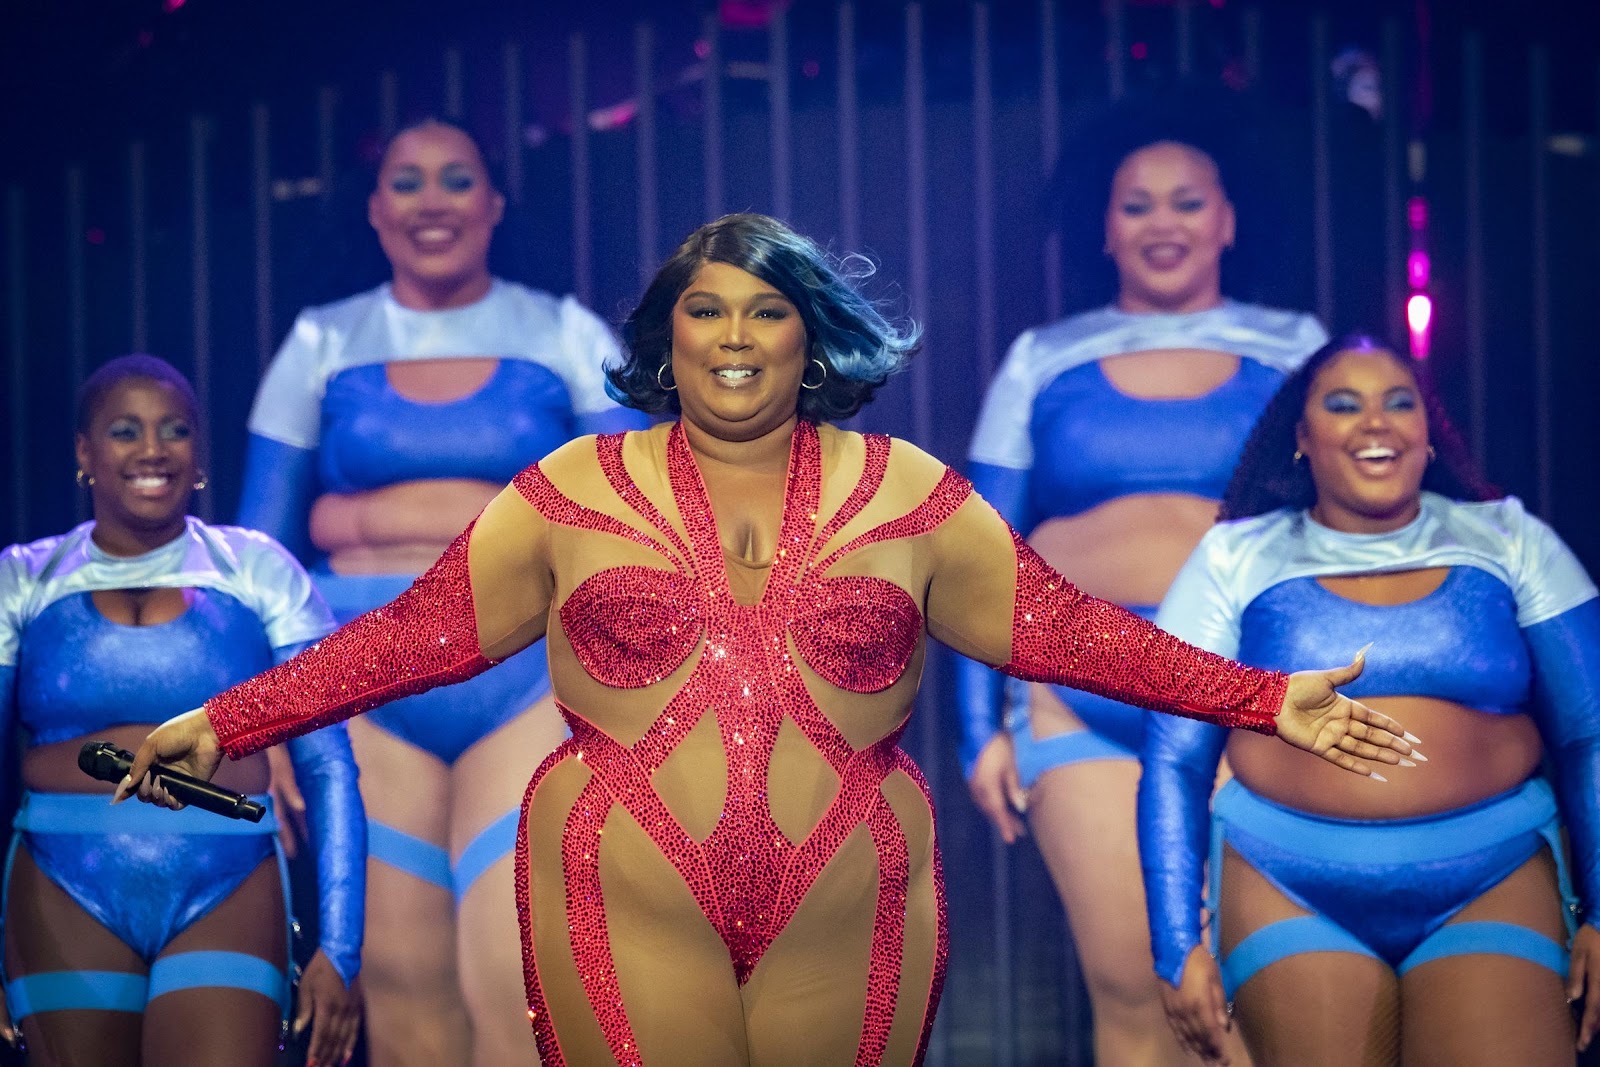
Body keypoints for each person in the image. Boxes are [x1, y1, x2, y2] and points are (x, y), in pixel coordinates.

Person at [122, 215, 1417, 1067]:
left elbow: (1069, 633)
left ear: (812, 334)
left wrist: (1259, 695)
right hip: (625, 880)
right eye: (705, 311)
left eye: (764, 311)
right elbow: (398, 642)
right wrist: (229, 721)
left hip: (851, 882)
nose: (735, 335)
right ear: (664, 339)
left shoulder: (912, 492)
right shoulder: (567, 492)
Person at [237, 118, 647, 1063]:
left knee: (513, 977)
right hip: (365, 690)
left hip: (524, 678)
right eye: (407, 182)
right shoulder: (321, 341)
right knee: (403, 988)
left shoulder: (561, 331)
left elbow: (638, 524)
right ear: (376, 209)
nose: (432, 203)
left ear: (494, 203)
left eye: (456, 180)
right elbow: (259, 556)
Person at [958, 117, 1325, 1063]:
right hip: (1079, 699)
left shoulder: (1297, 348)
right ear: (1107, 230)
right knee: (1132, 989)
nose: (1164, 223)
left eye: (1188, 201)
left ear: (1228, 221)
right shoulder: (1042, 358)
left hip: (1254, 689)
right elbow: (977, 548)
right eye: (1137, 205)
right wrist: (978, 728)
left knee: (1254, 985)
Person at [1140, 337, 1600, 1065]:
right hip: (1283, 878)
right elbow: (1174, 757)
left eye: (1398, 401)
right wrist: (1175, 944)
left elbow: (1589, 734)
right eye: (1344, 404)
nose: (1375, 421)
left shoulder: (1508, 538)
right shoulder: (1233, 556)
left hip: (1494, 872)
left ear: (1428, 432)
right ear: (1301, 438)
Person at [0, 356, 362, 1067]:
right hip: (59, 883)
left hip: (227, 882)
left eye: (175, 430)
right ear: (84, 452)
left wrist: (341, 950)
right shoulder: (23, 577)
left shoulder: (257, 569)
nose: (152, 450)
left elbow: (328, 766)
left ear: (198, 454)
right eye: (125, 430)